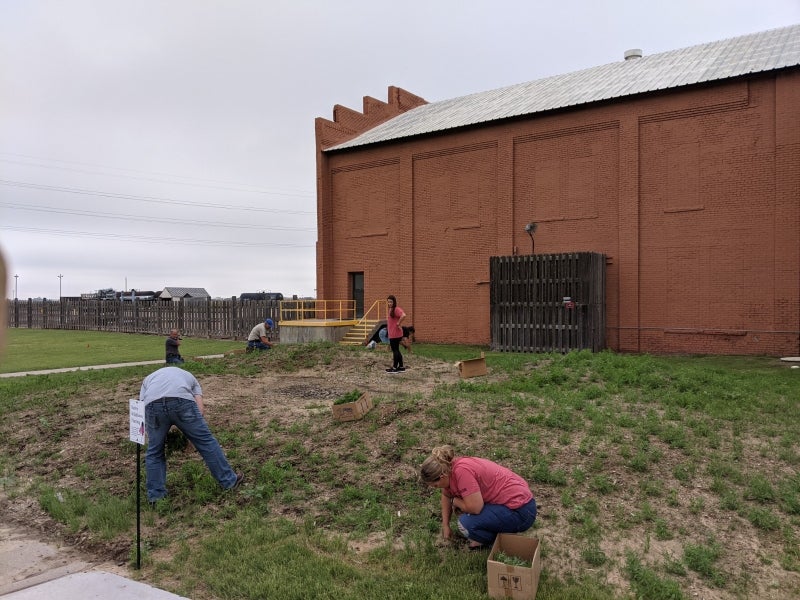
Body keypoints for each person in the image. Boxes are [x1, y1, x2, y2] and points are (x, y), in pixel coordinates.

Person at [139, 366, 244, 504]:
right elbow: (200, 410)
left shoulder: (148, 379)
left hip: (152, 405)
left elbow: (141, 406)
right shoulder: (191, 378)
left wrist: (159, 432)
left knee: (154, 451)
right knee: (206, 442)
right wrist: (190, 434)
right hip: (181, 400)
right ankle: (229, 481)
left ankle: (156, 497)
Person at [419, 445, 537, 550]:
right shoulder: (449, 468)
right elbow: (446, 494)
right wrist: (446, 525)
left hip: (522, 511)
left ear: (442, 476)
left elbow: (475, 508)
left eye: (435, 485)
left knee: (465, 524)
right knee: (464, 509)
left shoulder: (462, 472)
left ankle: (497, 541)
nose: (436, 488)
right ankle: (498, 531)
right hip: (516, 503)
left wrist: (455, 501)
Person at [385, 295, 406, 373]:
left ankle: (394, 368)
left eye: (391, 302)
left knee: (395, 350)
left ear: (394, 302)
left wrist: (398, 323)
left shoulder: (396, 309)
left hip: (395, 334)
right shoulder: (391, 309)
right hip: (393, 333)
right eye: (388, 302)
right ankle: (401, 367)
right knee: (397, 350)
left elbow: (403, 315)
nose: (389, 303)